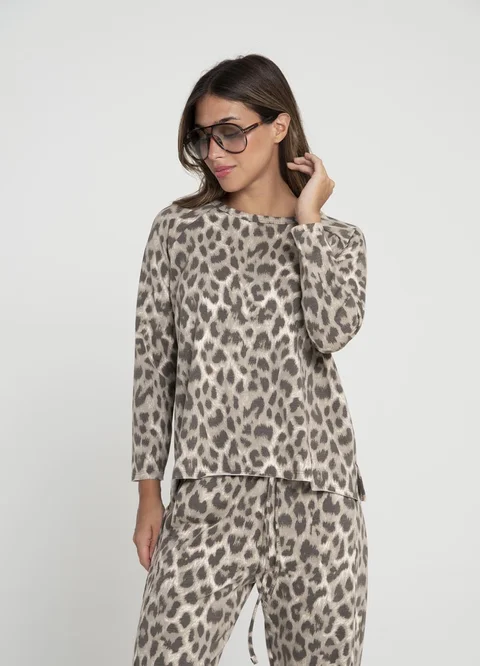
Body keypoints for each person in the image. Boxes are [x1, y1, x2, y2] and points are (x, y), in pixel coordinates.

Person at [130, 53, 368, 666]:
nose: (215, 151)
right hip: (211, 492)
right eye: (203, 136)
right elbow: (154, 365)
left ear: (279, 126)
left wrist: (308, 221)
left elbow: (333, 330)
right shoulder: (179, 232)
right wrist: (150, 494)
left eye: (231, 132)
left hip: (317, 497)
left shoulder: (337, 240)